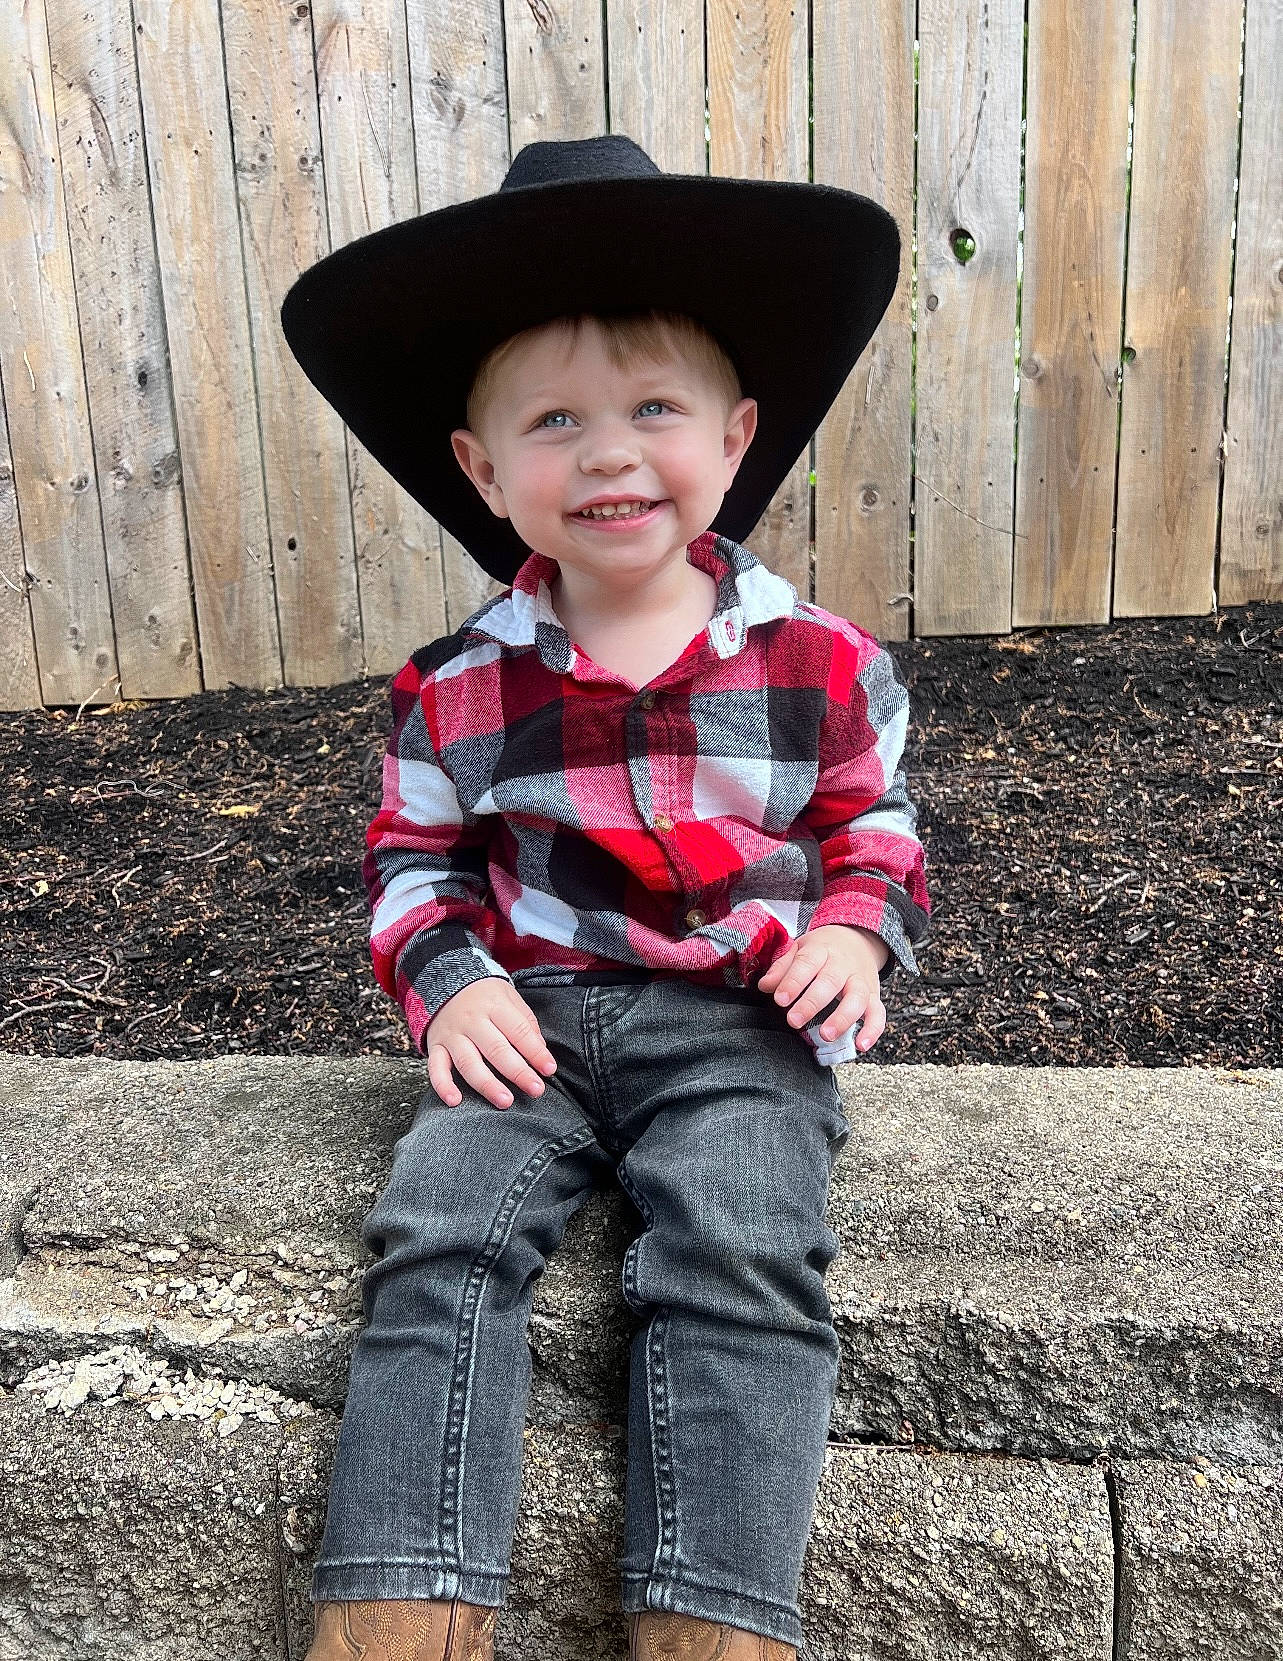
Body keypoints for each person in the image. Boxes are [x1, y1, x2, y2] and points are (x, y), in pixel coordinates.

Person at [281, 133, 931, 1661]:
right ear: (483, 469)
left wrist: (850, 929)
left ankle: (710, 1631)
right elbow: (411, 865)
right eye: (554, 421)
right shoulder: (454, 690)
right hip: (530, 1017)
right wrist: (452, 982)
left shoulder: (823, 663)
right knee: (437, 1236)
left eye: (654, 410)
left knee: (743, 1253)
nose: (610, 453)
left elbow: (874, 826)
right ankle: (398, 1614)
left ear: (737, 434)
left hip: (738, 1020)